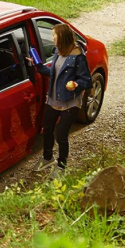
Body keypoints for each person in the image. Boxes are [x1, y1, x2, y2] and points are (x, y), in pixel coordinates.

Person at [28, 24, 92, 178]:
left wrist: (76, 85)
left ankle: (62, 165)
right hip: (53, 100)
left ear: (61, 37)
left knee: (61, 135)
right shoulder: (58, 51)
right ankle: (47, 157)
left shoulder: (78, 56)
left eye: (54, 36)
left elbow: (86, 80)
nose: (52, 38)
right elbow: (53, 73)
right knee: (47, 129)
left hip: (69, 103)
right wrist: (37, 65)